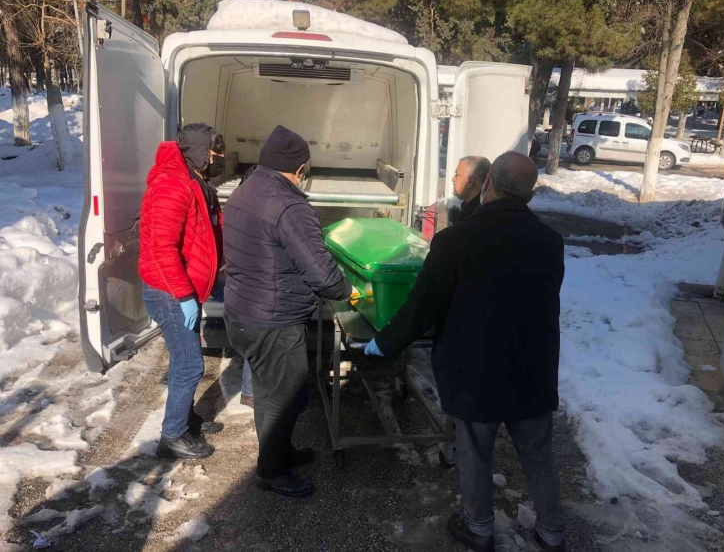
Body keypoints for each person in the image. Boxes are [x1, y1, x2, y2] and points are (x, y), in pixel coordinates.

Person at [365, 152, 566, 552]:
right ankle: (553, 532)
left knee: (474, 451)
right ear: (530, 193)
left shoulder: (456, 240)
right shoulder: (550, 241)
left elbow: (423, 307)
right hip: (533, 369)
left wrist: (383, 343)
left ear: (489, 183)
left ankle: (479, 529)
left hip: (476, 370)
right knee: (539, 454)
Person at [223, 125, 351, 498]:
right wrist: (350, 290)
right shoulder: (289, 206)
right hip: (273, 321)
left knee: (267, 392)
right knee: (287, 397)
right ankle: (272, 471)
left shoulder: (246, 190)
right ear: (300, 168)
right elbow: (321, 273)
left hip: (243, 314)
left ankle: (278, 453)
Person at [139, 123, 227, 460]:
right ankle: (172, 436)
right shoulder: (171, 186)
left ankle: (185, 419)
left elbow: (201, 235)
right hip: (169, 291)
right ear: (200, 152)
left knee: (185, 362)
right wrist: (184, 295)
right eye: (215, 153)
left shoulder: (193, 181)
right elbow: (161, 249)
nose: (219, 159)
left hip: (184, 288)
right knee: (190, 365)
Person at [451, 156, 491, 224]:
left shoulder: (478, 218)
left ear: (470, 181)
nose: (453, 179)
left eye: (456, 175)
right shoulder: (484, 208)